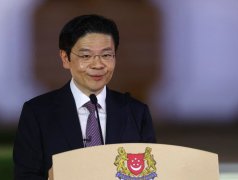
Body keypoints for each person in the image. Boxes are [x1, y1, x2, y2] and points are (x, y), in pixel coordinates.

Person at [13, 14, 156, 179]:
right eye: (86, 56)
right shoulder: (37, 113)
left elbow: (150, 173)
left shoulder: (136, 113)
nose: (98, 64)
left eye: (107, 55)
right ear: (65, 58)